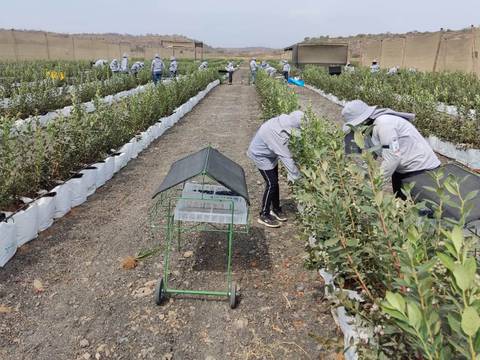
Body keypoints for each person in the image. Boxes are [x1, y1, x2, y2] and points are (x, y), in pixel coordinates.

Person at [341, 100, 440, 199]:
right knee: (401, 204)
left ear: (363, 120)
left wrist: (376, 185)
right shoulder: (367, 131)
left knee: (418, 208)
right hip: (401, 169)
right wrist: (362, 179)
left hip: (421, 169)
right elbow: (369, 157)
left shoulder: (384, 124)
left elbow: (393, 158)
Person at [247, 110, 305, 228]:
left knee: (275, 182)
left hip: (270, 154)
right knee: (271, 183)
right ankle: (264, 214)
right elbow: (286, 158)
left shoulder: (283, 123)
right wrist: (299, 180)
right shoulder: (275, 132)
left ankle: (276, 208)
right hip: (260, 155)